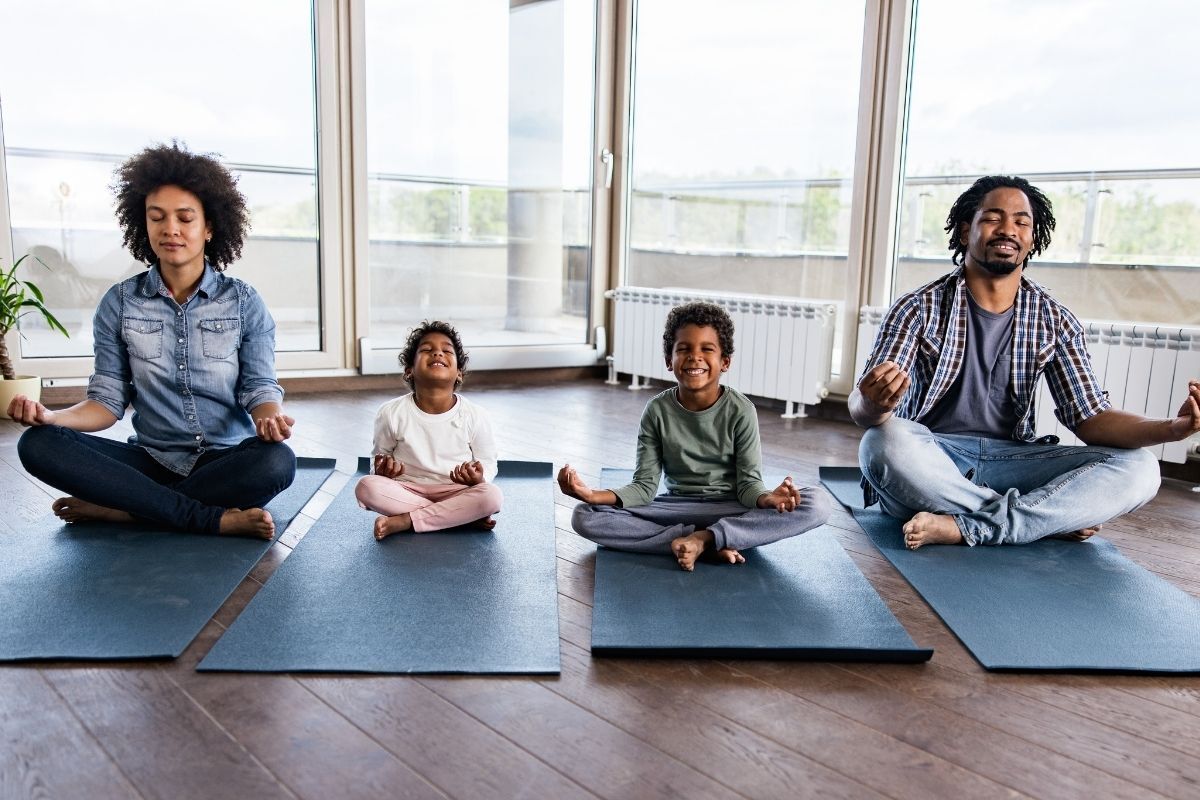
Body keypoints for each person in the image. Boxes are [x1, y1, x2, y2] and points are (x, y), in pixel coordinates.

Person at [850, 174, 1200, 550]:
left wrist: (1173, 428)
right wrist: (872, 403)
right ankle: (1041, 520)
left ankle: (972, 525)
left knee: (1142, 469)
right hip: (934, 460)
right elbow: (861, 409)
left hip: (1014, 461)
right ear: (966, 230)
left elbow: (1091, 418)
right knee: (880, 443)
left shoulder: (1055, 318)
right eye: (993, 218)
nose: (1008, 230)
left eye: (1021, 221)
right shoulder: (917, 308)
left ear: (1033, 237)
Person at [9, 142, 297, 540]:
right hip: (151, 458)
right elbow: (106, 402)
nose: (170, 229)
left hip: (226, 460)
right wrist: (52, 418)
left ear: (209, 226)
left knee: (276, 462)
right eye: (157, 217)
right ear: (143, 224)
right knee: (37, 445)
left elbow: (259, 386)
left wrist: (269, 416)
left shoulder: (244, 301)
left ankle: (127, 510)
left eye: (185, 218)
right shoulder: (119, 303)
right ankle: (202, 517)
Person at [558, 301, 831, 571]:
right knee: (585, 516)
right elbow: (643, 488)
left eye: (706, 349)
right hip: (675, 507)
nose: (694, 356)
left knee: (816, 503)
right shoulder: (656, 411)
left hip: (732, 507)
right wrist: (592, 494)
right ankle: (692, 542)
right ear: (669, 361)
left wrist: (768, 499)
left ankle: (707, 538)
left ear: (725, 362)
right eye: (684, 349)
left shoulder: (741, 410)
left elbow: (749, 485)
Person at [354, 320, 502, 541]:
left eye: (446, 350)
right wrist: (382, 471)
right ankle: (459, 517)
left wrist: (479, 478)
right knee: (366, 487)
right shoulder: (390, 413)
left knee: (492, 496)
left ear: (459, 373)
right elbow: (378, 460)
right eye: (426, 350)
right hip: (407, 491)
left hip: (457, 491)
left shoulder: (475, 415)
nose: (437, 354)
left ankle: (407, 521)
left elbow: (488, 463)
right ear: (409, 371)